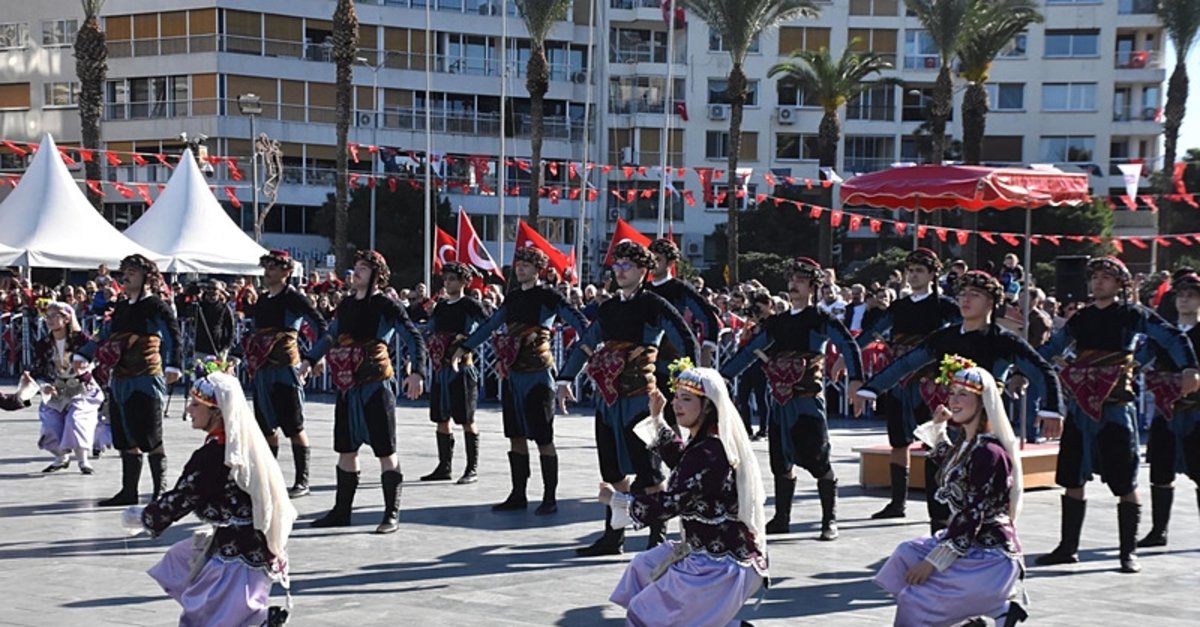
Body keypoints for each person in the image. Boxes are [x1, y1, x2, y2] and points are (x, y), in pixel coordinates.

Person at [856, 271, 1063, 534]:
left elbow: (1041, 369)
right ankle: (939, 542)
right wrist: (871, 389)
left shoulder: (1002, 340)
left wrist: (1053, 409)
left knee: (981, 495)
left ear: (990, 303)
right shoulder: (945, 337)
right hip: (950, 427)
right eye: (962, 294)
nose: (965, 300)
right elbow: (907, 363)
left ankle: (979, 547)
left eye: (974, 295)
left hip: (986, 429)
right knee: (938, 485)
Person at [1037, 257, 1199, 573]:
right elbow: (1052, 346)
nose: (1098, 282)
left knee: (1124, 479)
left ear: (1120, 284)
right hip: (1080, 408)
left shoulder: (1132, 315)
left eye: (1106, 278)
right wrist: (1025, 368)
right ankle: (1068, 547)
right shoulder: (1080, 319)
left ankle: (1129, 552)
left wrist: (1189, 367)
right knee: (1072, 476)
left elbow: (1172, 337)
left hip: (1114, 408)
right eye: (1094, 277)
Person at [557, 241, 700, 555]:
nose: (619, 271)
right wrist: (566, 378)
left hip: (642, 401)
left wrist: (685, 384)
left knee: (649, 473)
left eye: (626, 266)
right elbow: (586, 344)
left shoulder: (655, 305)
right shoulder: (608, 308)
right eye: (616, 266)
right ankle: (614, 536)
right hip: (608, 401)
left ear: (643, 270)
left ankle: (657, 537)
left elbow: (685, 341)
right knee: (613, 473)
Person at [121, 372, 295, 627]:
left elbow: (186, 495)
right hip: (242, 542)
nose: (188, 410)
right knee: (179, 561)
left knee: (210, 615)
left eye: (195, 405)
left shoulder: (216, 454)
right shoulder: (236, 446)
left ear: (216, 411)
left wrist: (147, 517)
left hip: (239, 552)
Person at [604, 365, 767, 626]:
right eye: (677, 397)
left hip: (720, 563)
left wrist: (620, 502)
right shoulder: (705, 443)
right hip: (703, 551)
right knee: (643, 569)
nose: (677, 404)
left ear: (709, 407)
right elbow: (683, 461)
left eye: (687, 399)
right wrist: (657, 419)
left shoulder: (713, 452)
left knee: (647, 614)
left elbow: (675, 501)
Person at [875, 359, 1029, 627]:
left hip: (990, 553)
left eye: (963, 395)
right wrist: (938, 427)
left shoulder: (990, 453)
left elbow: (971, 515)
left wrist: (933, 563)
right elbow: (948, 460)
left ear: (983, 402)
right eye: (952, 393)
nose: (953, 400)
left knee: (915, 598)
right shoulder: (969, 444)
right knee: (905, 555)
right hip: (970, 542)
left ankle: (981, 609)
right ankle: (980, 614)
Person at [720, 257, 863, 541]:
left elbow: (847, 343)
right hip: (780, 403)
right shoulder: (777, 323)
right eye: (791, 279)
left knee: (818, 458)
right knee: (780, 461)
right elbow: (749, 353)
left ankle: (829, 520)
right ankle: (782, 517)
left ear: (812, 285)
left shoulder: (820, 320)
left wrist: (856, 379)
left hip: (807, 400)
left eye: (800, 279)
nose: (794, 284)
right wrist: (721, 379)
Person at [454, 246, 588, 515]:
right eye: (519, 264)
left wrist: (588, 347)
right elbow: (491, 326)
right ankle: (518, 494)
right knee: (515, 436)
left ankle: (549, 497)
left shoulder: (549, 296)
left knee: (543, 437)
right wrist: (465, 347)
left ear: (538, 269)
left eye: (527, 264)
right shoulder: (513, 298)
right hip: (513, 376)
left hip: (539, 375)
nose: (520, 268)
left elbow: (581, 322)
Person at [305, 250, 428, 534]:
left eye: (363, 267)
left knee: (386, 451)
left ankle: (391, 514)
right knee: (346, 450)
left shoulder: (387, 305)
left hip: (376, 384)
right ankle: (341, 511)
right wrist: (310, 360)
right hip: (348, 387)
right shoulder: (346, 305)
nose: (356, 271)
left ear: (377, 274)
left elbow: (412, 336)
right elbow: (330, 335)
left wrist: (417, 372)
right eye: (356, 266)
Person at [858, 248, 961, 520]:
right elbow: (872, 332)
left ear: (932, 275)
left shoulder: (945, 306)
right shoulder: (899, 306)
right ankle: (897, 502)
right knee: (898, 441)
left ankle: (941, 503)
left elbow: (964, 333)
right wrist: (849, 355)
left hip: (931, 382)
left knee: (936, 441)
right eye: (910, 270)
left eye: (919, 271)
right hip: (899, 381)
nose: (913, 275)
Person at [78, 254, 182, 507]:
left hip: (146, 378)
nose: (125, 276)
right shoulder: (122, 306)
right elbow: (105, 334)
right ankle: (129, 492)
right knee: (125, 437)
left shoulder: (157, 306)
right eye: (124, 271)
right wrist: (84, 354)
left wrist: (174, 365)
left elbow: (173, 335)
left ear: (147, 276)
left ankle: (160, 492)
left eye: (132, 272)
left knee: (150, 435)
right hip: (120, 379)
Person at [244, 250, 328, 498]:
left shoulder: (294, 298)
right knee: (266, 428)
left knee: (294, 426)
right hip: (262, 371)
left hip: (285, 369)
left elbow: (320, 325)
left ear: (286, 272)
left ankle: (302, 480)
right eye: (266, 267)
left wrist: (317, 356)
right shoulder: (262, 300)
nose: (267, 272)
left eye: (273, 267)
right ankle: (270, 478)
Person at [1137, 271, 1200, 548]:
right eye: (1181, 295)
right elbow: (1140, 360)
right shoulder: (1164, 335)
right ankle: (1158, 530)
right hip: (1166, 409)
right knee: (1160, 469)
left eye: (1191, 295)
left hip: (1196, 411)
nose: (1184, 300)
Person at [420, 262, 487, 484]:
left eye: (452, 279)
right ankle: (444, 466)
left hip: (462, 369)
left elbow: (487, 326)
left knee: (466, 417)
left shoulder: (471, 305)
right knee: (441, 417)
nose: (447, 283)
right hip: (441, 368)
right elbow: (431, 327)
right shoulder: (440, 306)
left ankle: (472, 468)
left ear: (463, 282)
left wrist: (466, 343)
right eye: (446, 279)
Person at [31, 302, 105, 474]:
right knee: (50, 424)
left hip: (81, 385)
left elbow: (97, 358)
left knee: (76, 420)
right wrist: (45, 385)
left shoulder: (82, 340)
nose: (49, 319)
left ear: (66, 318)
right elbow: (38, 369)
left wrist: (86, 369)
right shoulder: (43, 343)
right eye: (47, 316)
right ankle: (61, 458)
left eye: (53, 315)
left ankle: (83, 461)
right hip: (57, 386)